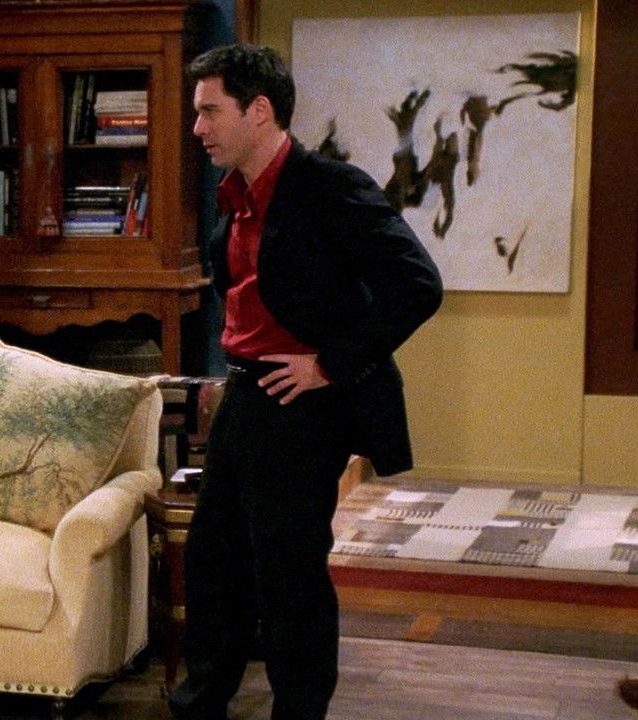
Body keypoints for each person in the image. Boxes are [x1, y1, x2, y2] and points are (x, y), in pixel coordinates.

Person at [171, 45, 443, 720]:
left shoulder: (329, 187)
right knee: (214, 562)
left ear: (259, 110)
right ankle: (199, 707)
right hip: (244, 393)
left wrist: (328, 365)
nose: (198, 127)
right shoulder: (233, 192)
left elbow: (418, 285)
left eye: (210, 111)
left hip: (302, 405)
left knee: (288, 574)